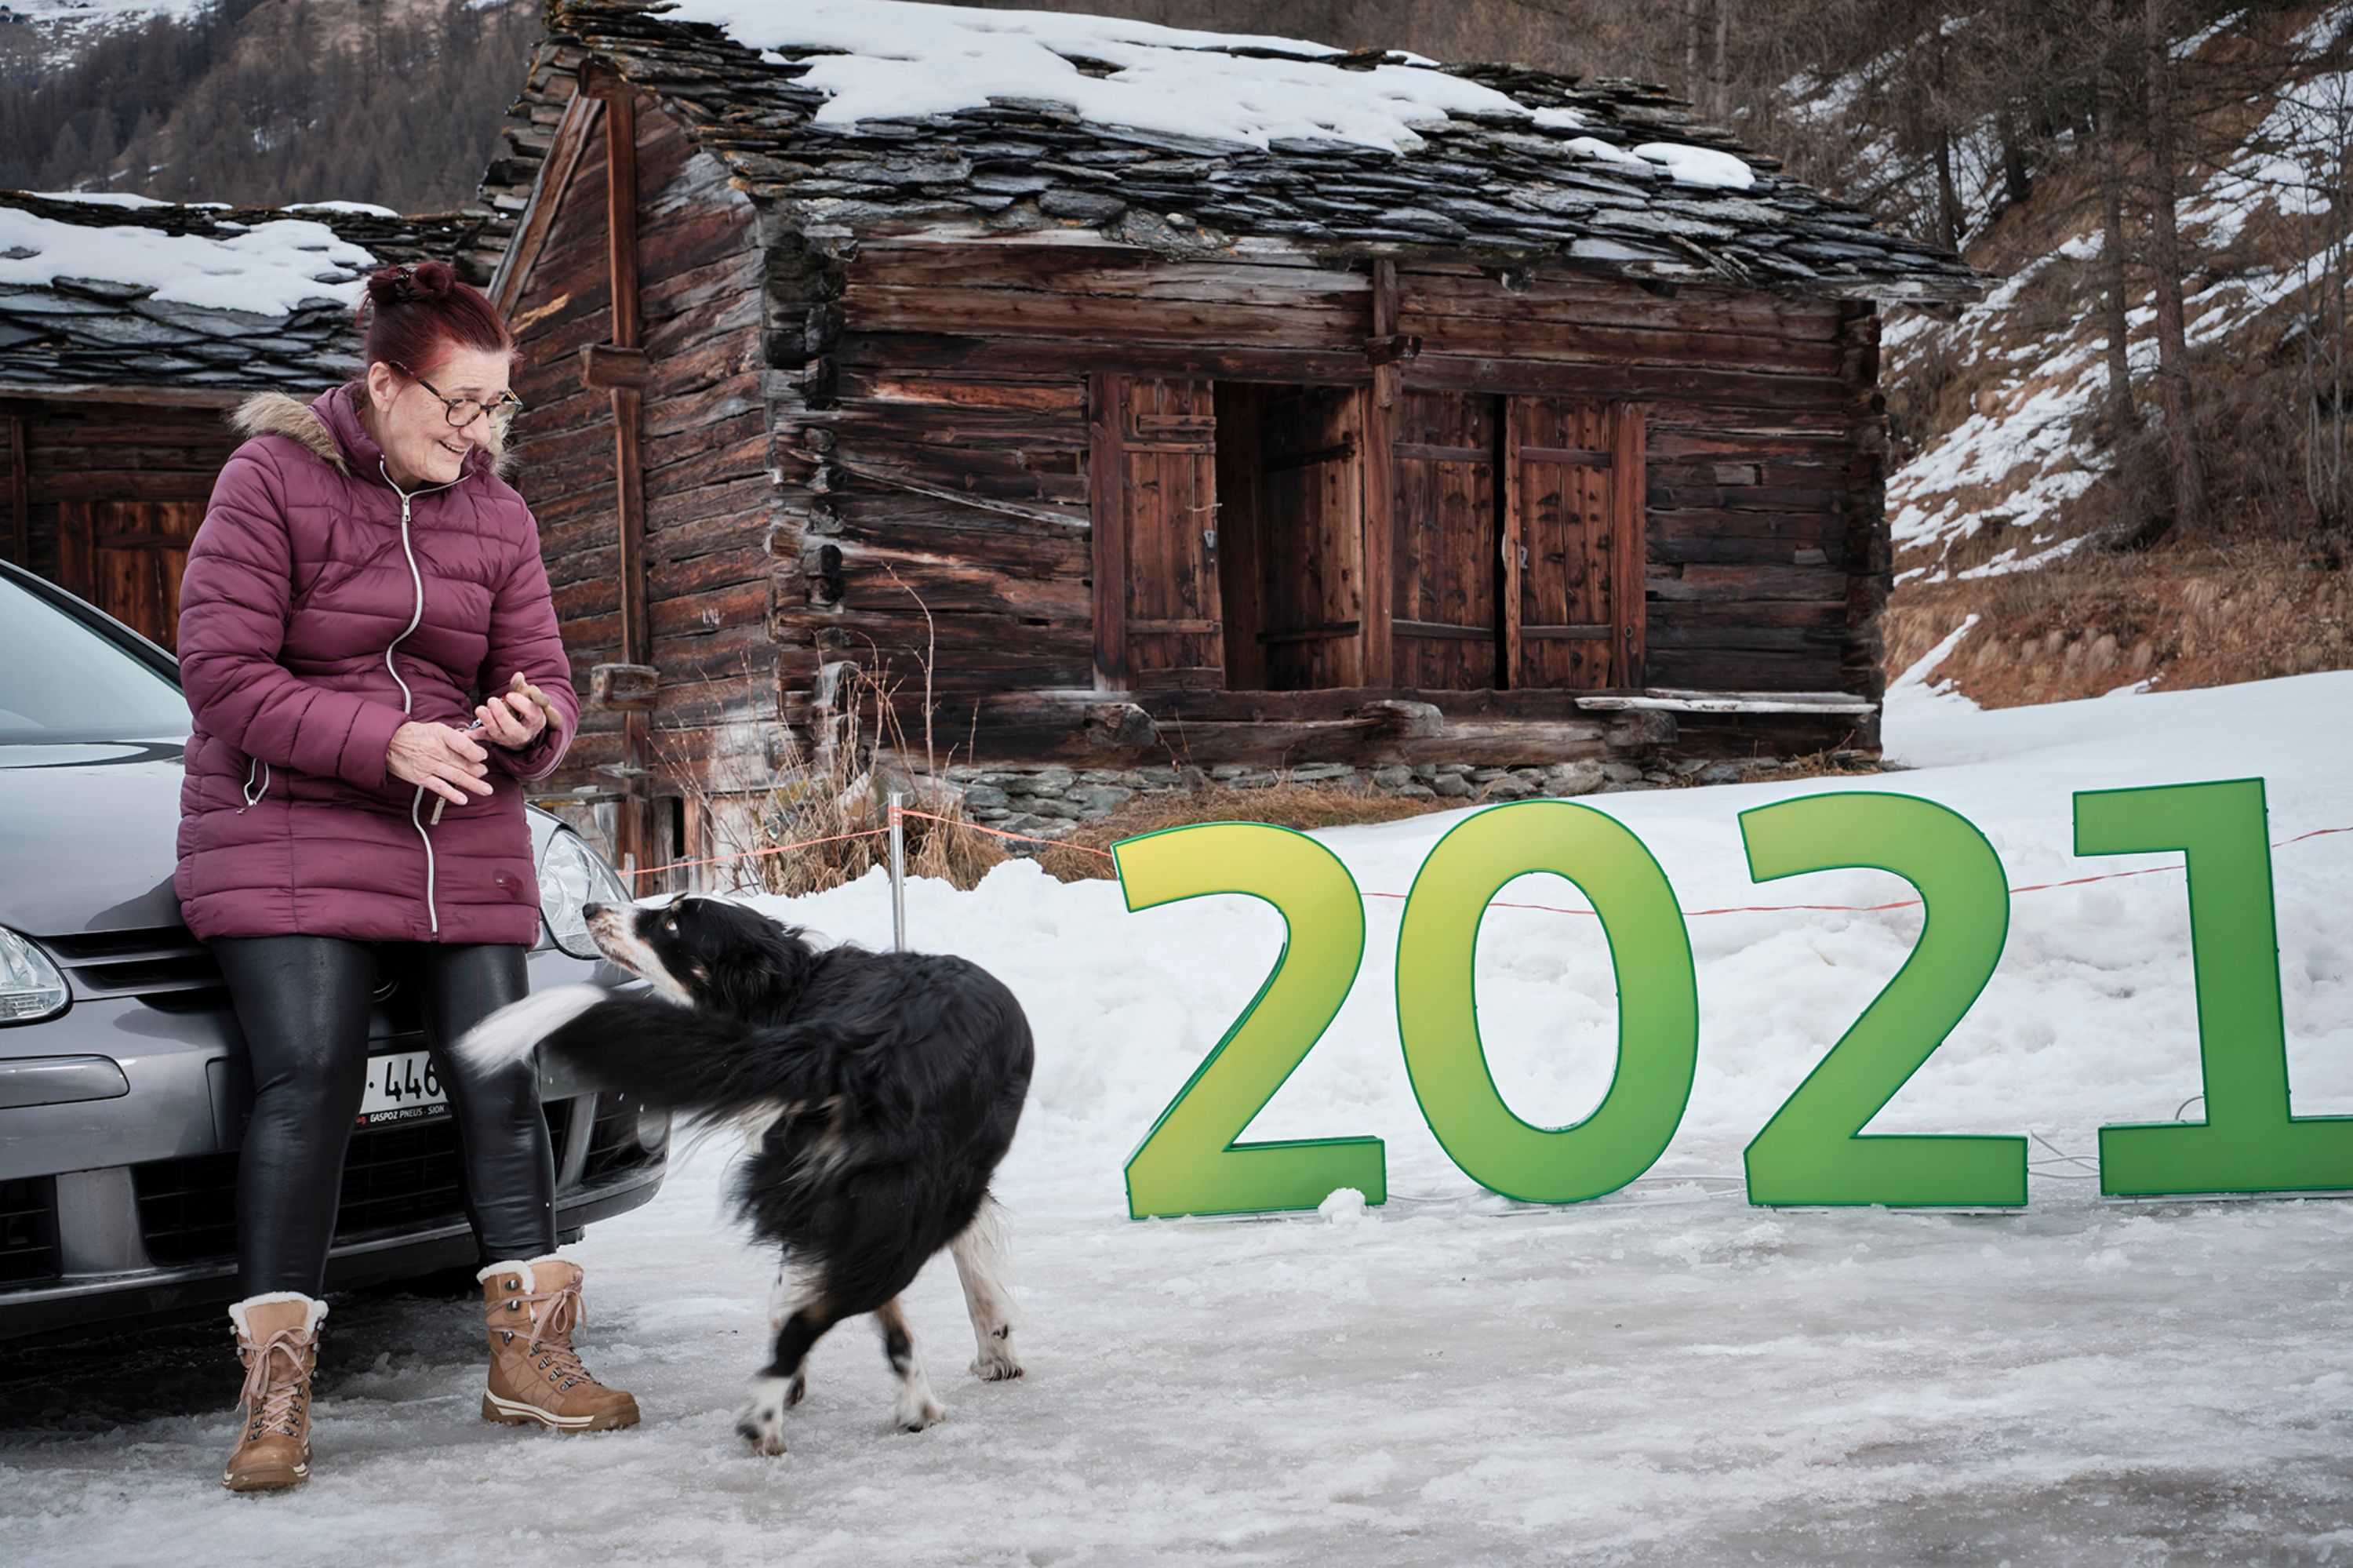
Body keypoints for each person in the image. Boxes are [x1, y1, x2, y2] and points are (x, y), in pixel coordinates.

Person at [174, 260, 634, 1493]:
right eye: (459, 406)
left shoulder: (501, 514)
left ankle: (529, 1361)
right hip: (291, 827)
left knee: (501, 1067)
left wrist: (529, 719)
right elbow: (220, 675)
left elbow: (549, 679)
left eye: (496, 409)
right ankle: (275, 1396)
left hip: (459, 829)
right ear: (382, 384)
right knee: (312, 1074)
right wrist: (380, 740)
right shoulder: (269, 479)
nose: (480, 435)